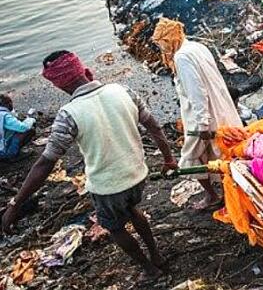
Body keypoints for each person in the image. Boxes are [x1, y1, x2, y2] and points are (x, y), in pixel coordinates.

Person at [1, 51, 178, 283]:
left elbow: (45, 162)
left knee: (114, 227)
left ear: (60, 86)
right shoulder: (122, 90)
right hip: (137, 173)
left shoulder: (69, 114)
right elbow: (154, 127)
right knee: (133, 209)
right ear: (84, 71)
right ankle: (156, 255)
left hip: (108, 186)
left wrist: (15, 204)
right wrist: (168, 159)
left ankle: (150, 269)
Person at [152, 18, 242, 210]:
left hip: (202, 117)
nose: (163, 49)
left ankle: (213, 196)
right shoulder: (197, 46)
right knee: (221, 155)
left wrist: (202, 124)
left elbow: (196, 91)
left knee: (190, 159)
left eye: (163, 43)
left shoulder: (182, 57)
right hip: (221, 108)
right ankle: (231, 195)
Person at [0, 94, 36, 161]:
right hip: (2, 152)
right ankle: (12, 155)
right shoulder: (4, 116)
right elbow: (23, 128)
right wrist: (31, 120)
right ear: (9, 104)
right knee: (30, 130)